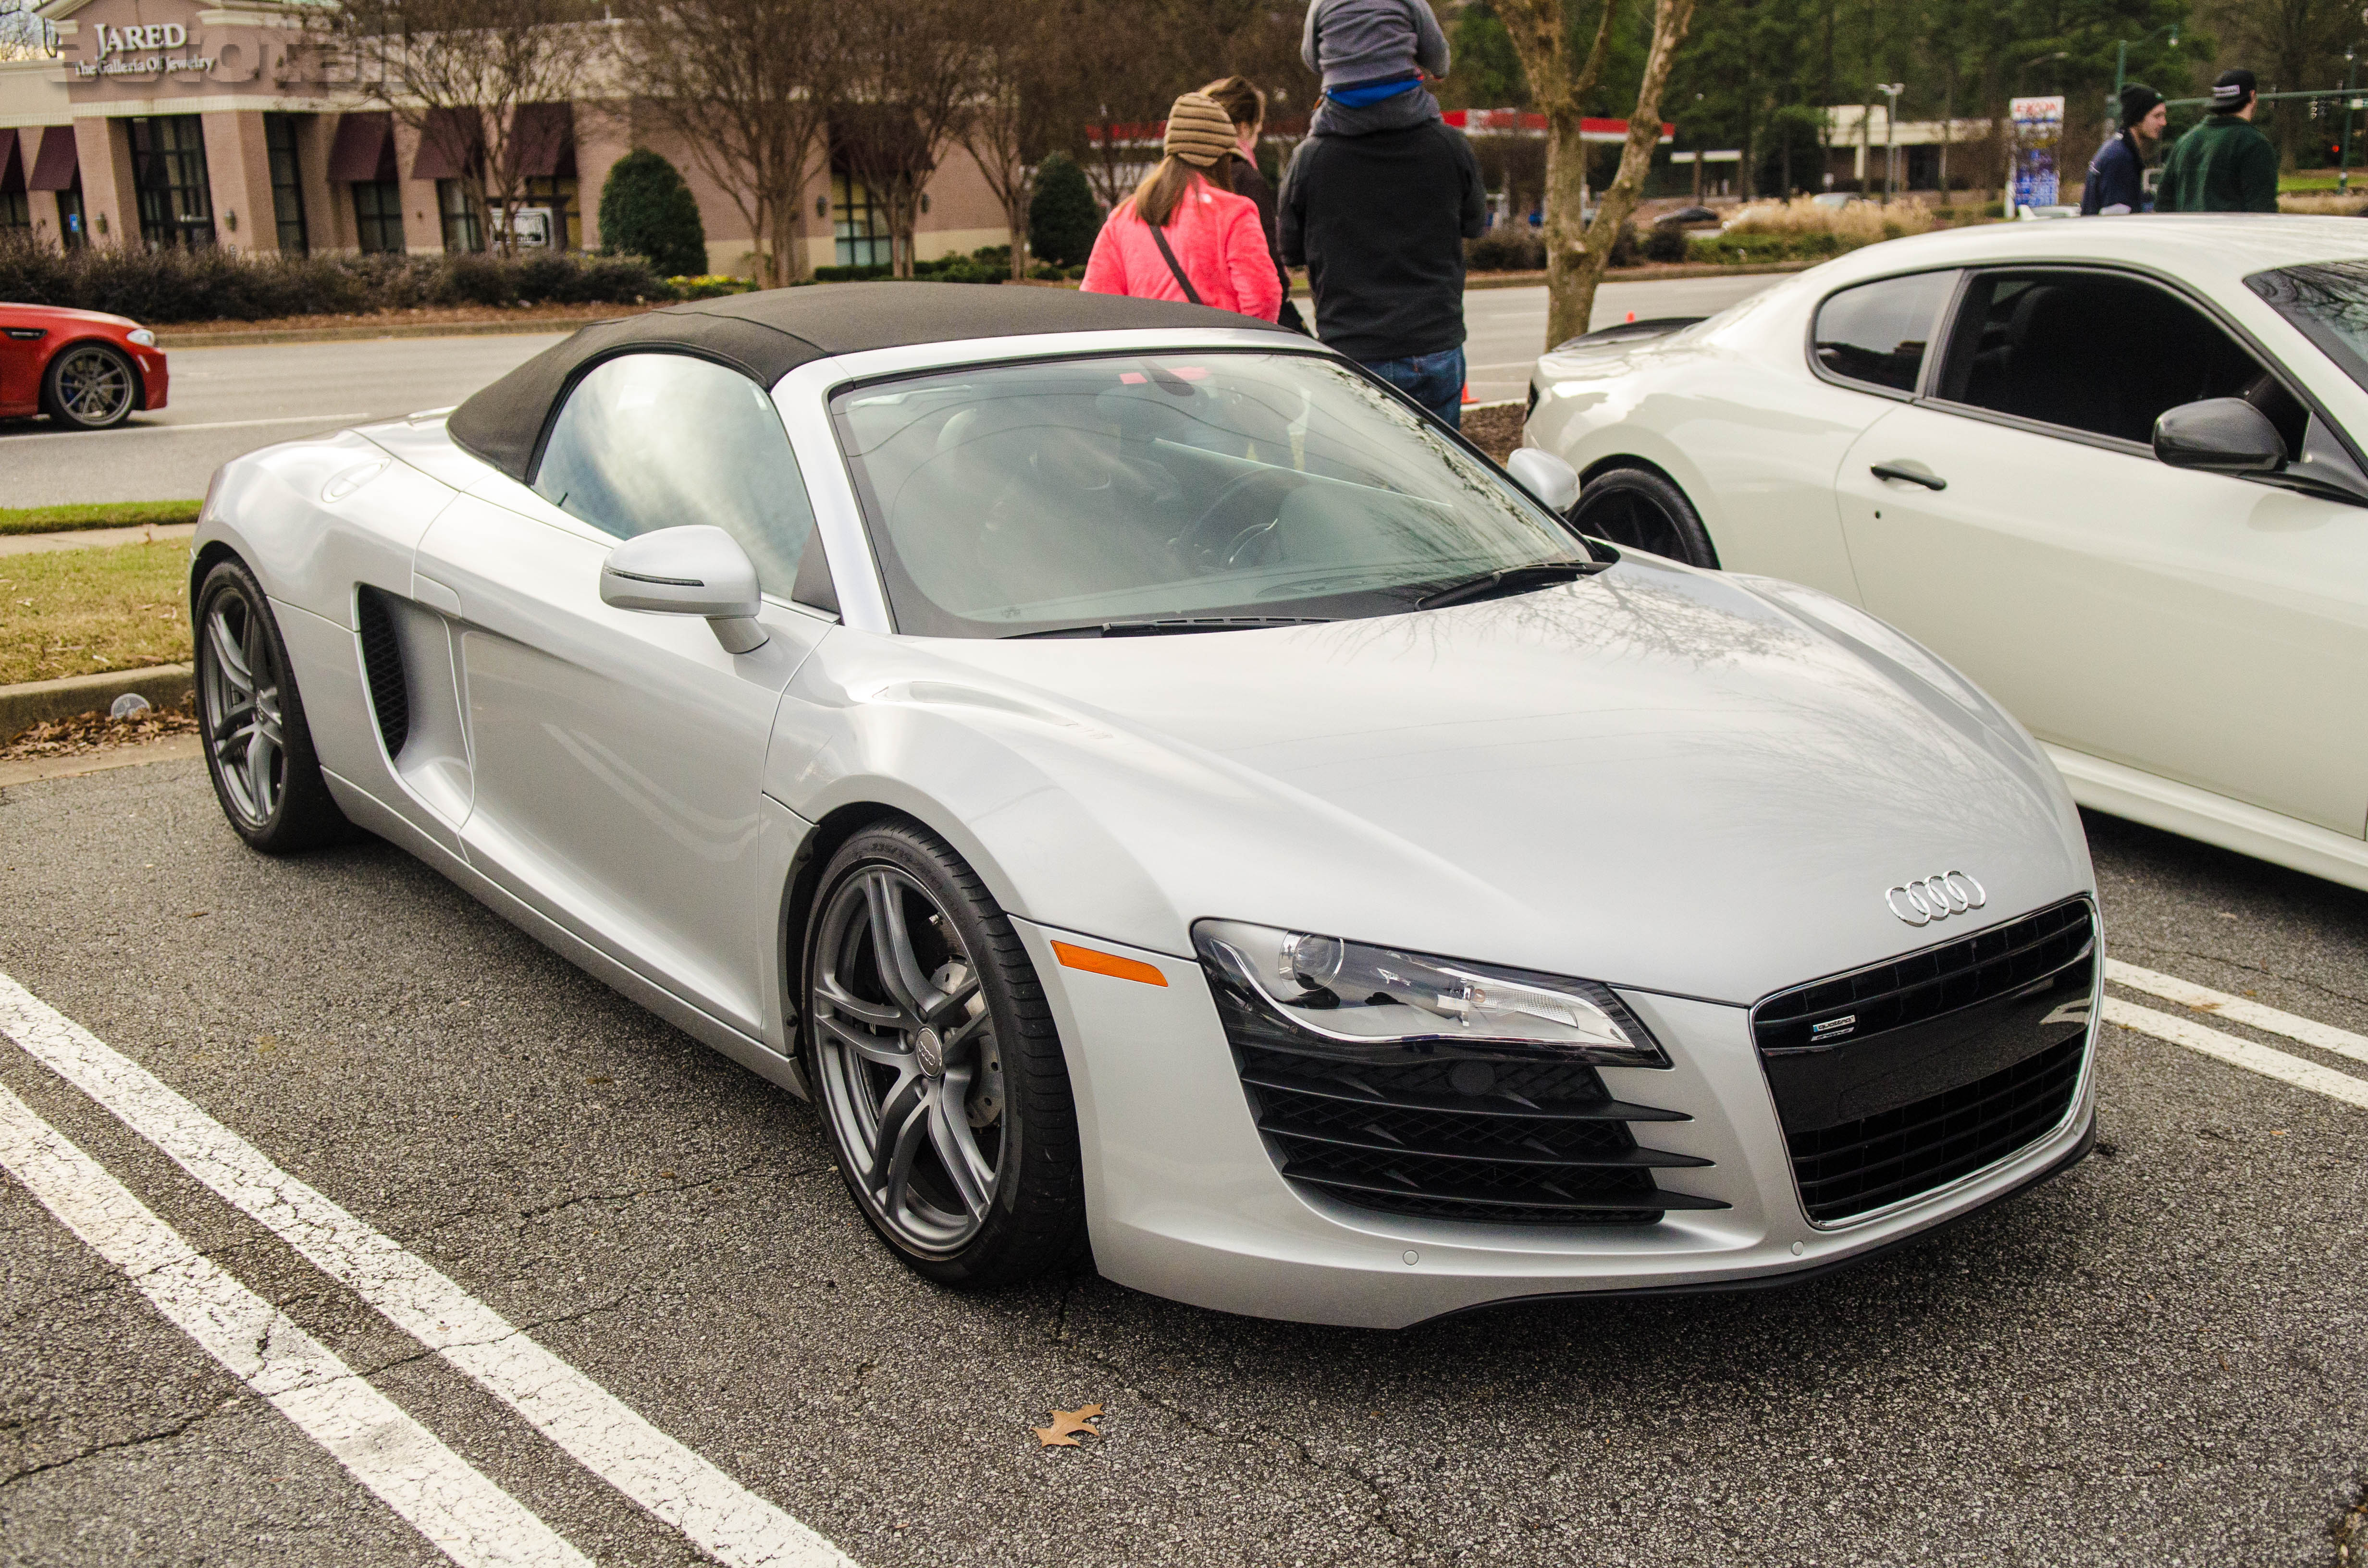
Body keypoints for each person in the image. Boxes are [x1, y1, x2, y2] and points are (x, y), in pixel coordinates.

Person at [1281, 0, 1485, 429]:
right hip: (1434, 345)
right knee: (1443, 484)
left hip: (1354, 353)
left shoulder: (1310, 161)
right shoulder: (1450, 148)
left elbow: (1291, 251)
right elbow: (1474, 225)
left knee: (1365, 489)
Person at [1079, 92, 1284, 322]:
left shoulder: (1123, 217)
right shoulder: (1234, 212)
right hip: (1217, 353)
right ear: (1220, 157)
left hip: (1150, 356)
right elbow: (1264, 298)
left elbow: (1097, 305)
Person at [1200, 74, 1309, 334]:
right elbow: (1267, 262)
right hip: (1245, 318)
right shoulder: (1247, 180)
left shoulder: (1194, 177)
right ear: (1243, 127)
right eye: (1257, 130)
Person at [1302, 0, 1450, 138]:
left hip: (1340, 113)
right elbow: (1436, 51)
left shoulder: (1320, 3)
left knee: (1306, 156)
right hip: (1407, 107)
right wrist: (1440, 71)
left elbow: (1311, 60)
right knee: (1448, 145)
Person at [2157, 69, 2279, 214]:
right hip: (2230, 236)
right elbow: (2262, 212)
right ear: (2252, 97)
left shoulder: (2185, 142)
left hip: (2187, 235)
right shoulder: (2255, 145)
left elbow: (2163, 205)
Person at [2081, 84, 2167, 215]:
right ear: (2138, 118)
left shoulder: (2116, 149)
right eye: (2157, 116)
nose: (2163, 122)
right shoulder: (2120, 158)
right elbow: (2117, 221)